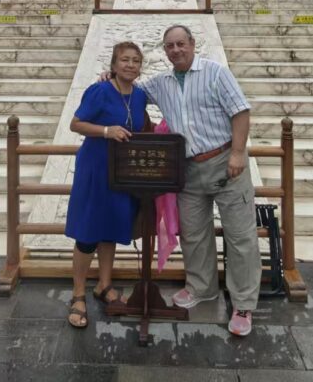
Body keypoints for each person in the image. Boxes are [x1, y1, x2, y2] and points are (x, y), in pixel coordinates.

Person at [118, 26, 259, 337]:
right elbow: (130, 88)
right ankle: (201, 287)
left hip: (225, 162)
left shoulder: (215, 73)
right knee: (194, 233)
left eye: (181, 43)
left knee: (240, 236)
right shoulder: (162, 83)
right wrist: (109, 76)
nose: (176, 50)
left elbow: (241, 111)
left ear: (193, 44)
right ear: (165, 51)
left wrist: (238, 153)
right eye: (169, 46)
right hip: (189, 168)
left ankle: (244, 303)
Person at [65, 41, 150, 328]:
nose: (130, 65)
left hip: (122, 171)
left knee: (111, 229)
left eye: (136, 61)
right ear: (113, 66)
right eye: (124, 60)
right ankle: (78, 294)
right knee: (88, 232)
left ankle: (104, 285)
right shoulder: (99, 90)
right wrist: (105, 131)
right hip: (95, 168)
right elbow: (76, 124)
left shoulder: (139, 96)